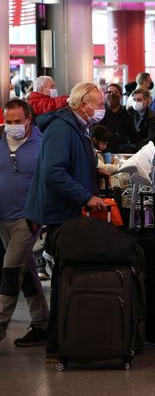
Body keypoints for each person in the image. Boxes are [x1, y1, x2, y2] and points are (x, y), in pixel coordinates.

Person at [23, 82, 108, 362]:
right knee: (63, 276)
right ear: (83, 104)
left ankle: (62, 340)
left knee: (66, 273)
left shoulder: (76, 127)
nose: (101, 109)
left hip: (67, 210)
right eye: (98, 103)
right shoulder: (62, 129)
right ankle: (56, 344)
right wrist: (86, 197)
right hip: (61, 213)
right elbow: (54, 173)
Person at [0, 99, 49, 348]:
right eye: (8, 121)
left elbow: (47, 182)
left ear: (28, 119)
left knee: (10, 270)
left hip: (27, 218)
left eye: (17, 121)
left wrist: (39, 214)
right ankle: (41, 323)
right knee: (25, 268)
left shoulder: (41, 145)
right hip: (2, 218)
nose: (12, 126)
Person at [99, 83, 137, 153]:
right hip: (104, 154)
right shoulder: (100, 115)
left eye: (115, 92)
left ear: (120, 96)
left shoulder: (127, 116)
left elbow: (133, 138)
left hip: (122, 154)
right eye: (109, 92)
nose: (111, 95)